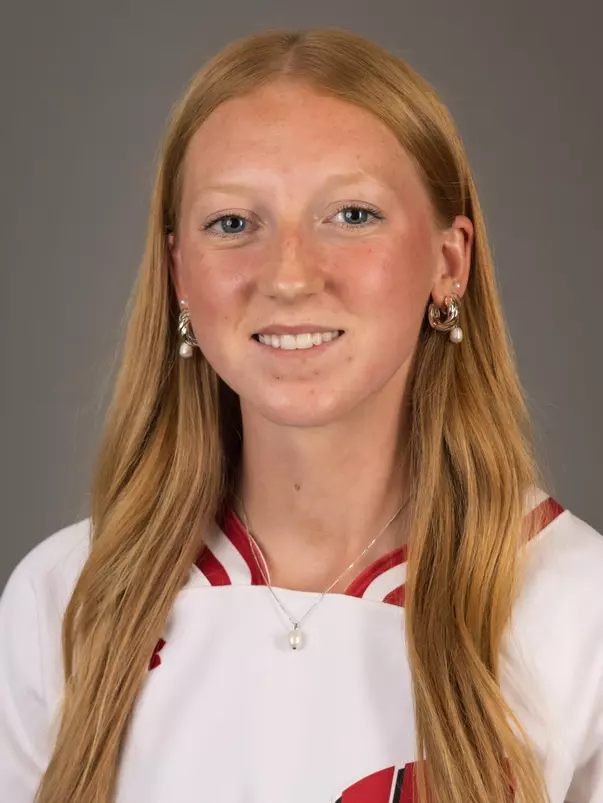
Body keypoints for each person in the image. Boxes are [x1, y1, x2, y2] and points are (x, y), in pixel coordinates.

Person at [1, 26, 602, 803]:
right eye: (232, 223)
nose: (287, 276)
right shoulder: (65, 598)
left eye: (350, 215)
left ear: (447, 263)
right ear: (180, 271)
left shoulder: (578, 606)